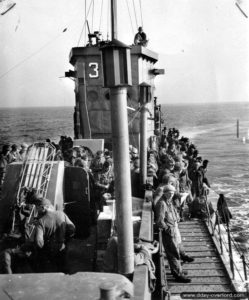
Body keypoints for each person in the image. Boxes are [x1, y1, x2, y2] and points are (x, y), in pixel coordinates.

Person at [154, 184, 192, 283]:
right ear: (165, 193)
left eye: (172, 193)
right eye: (169, 193)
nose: (171, 195)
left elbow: (172, 212)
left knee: (176, 250)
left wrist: (177, 218)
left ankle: (178, 270)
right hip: (169, 232)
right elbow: (159, 221)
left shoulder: (168, 202)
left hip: (173, 229)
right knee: (173, 253)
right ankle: (178, 275)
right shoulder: (162, 204)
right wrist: (167, 229)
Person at [34, 198, 75, 273]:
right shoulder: (61, 214)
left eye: (37, 208)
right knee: (64, 271)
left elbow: (39, 243)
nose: (37, 210)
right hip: (62, 247)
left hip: (50, 252)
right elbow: (72, 228)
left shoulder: (41, 221)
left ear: (43, 207)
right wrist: (65, 239)